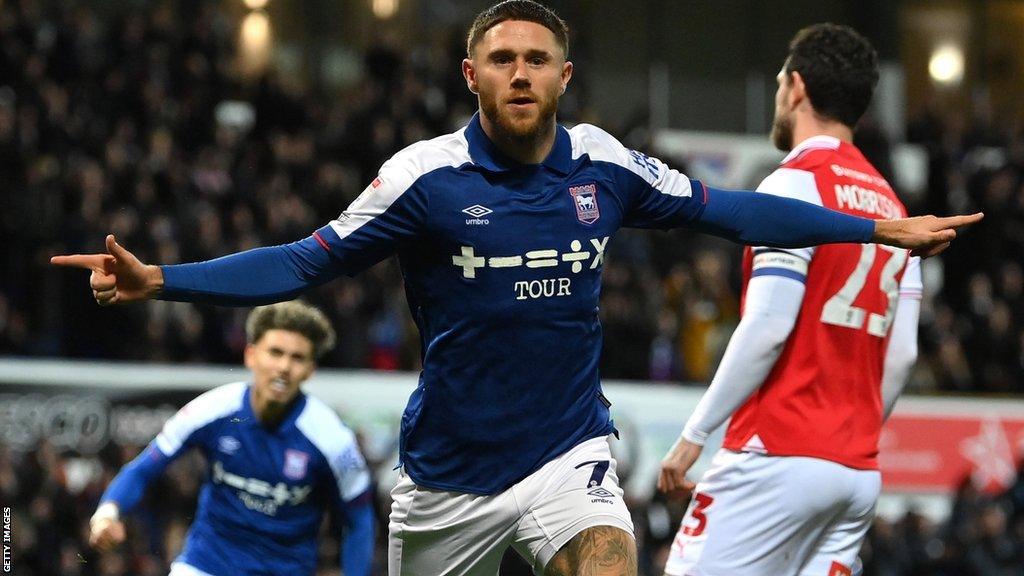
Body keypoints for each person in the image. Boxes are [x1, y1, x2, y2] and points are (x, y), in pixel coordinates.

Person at [53, 2, 979, 574]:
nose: (521, 73)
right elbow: (303, 261)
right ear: (472, 75)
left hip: (566, 452)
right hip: (445, 479)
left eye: (538, 59)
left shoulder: (604, 167)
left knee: (613, 563)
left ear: (566, 77)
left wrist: (872, 228)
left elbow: (732, 211)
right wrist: (160, 281)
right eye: (503, 59)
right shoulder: (423, 177)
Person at [659, 23, 925, 576]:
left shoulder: (793, 183)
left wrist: (694, 436)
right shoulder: (896, 213)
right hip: (855, 471)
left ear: (796, 88)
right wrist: (850, 440)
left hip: (776, 450)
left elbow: (768, 325)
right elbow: (901, 357)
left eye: (781, 81)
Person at [87, 301, 375, 576]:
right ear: (251, 355)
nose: (284, 367)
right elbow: (145, 468)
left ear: (310, 370)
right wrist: (107, 513)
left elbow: (359, 519)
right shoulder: (212, 409)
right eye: (275, 352)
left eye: (297, 358)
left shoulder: (333, 439)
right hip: (205, 565)